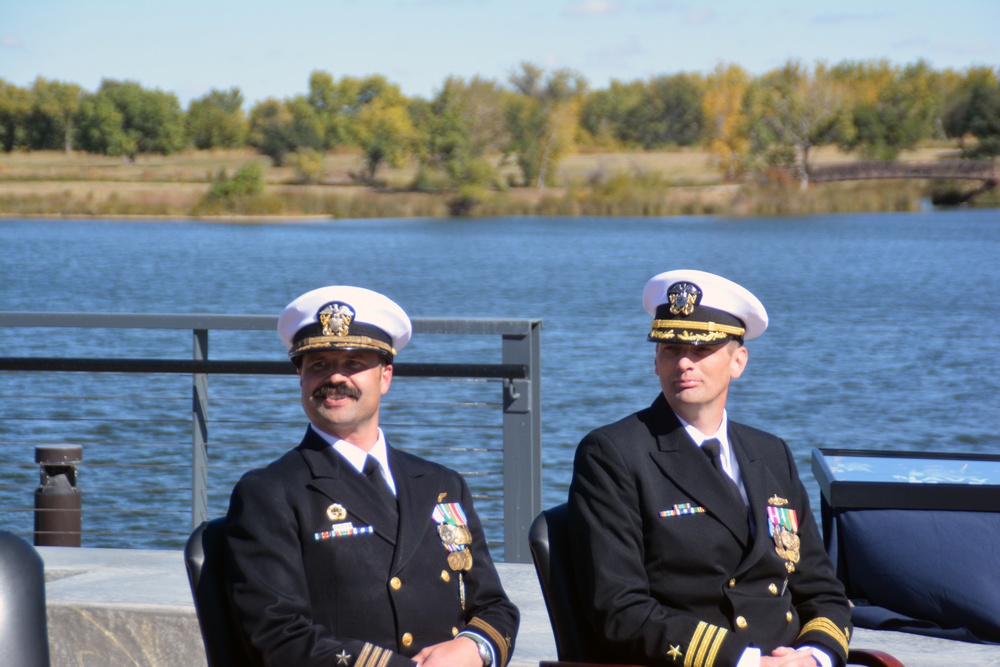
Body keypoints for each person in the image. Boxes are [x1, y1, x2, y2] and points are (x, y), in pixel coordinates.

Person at [567, 270, 852, 667]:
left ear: (738, 362)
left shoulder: (770, 454)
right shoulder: (614, 454)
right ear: (655, 361)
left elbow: (821, 589)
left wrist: (816, 655)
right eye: (670, 348)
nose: (684, 362)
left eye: (701, 349)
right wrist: (751, 663)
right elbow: (620, 609)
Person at [225, 286, 518, 667]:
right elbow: (277, 634)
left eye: (353, 364)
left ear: (385, 377)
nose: (335, 377)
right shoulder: (271, 492)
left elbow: (494, 606)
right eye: (318, 365)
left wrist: (475, 648)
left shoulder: (442, 485)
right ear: (300, 378)